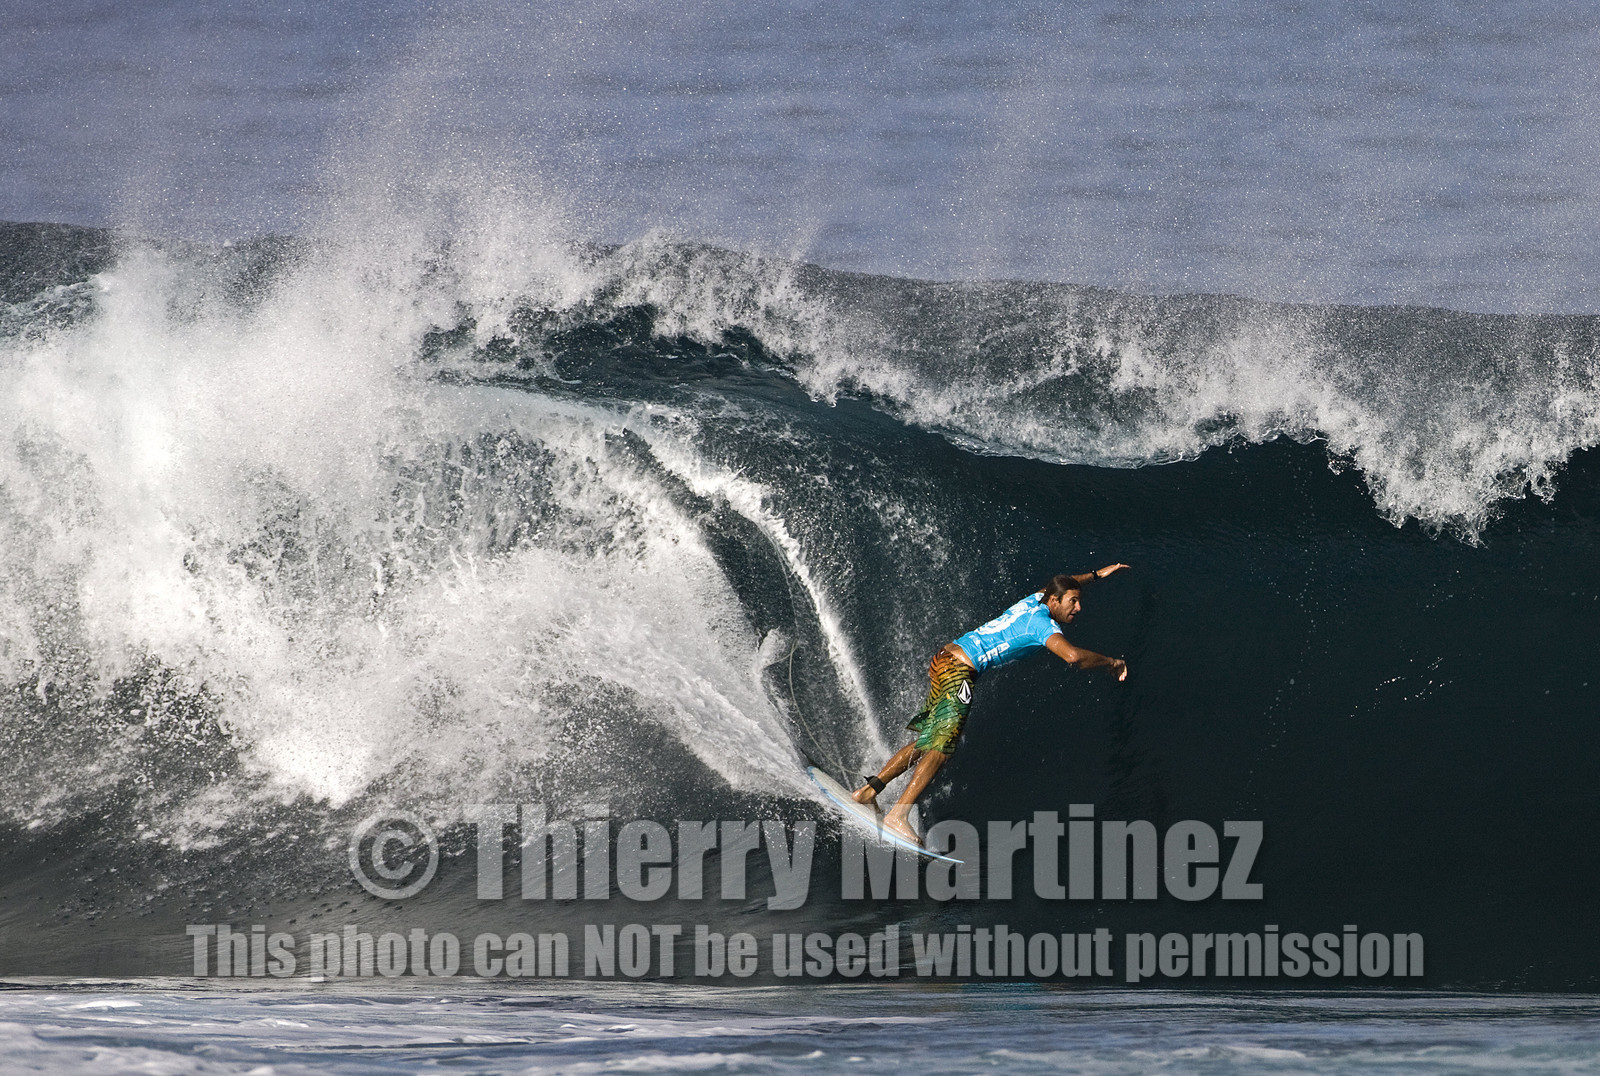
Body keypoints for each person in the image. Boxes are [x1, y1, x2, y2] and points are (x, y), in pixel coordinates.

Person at [852, 565, 1130, 845]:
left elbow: (1060, 584)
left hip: (943, 658)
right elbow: (1072, 657)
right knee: (942, 749)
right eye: (1073, 601)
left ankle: (868, 791)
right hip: (959, 670)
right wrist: (1112, 662)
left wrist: (1096, 575)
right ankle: (898, 815)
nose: (1079, 608)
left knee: (929, 741)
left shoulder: (1034, 600)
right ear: (1055, 601)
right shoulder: (1041, 624)